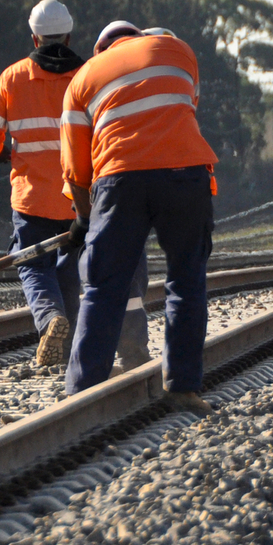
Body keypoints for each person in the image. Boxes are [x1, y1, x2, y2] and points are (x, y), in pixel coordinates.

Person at [60, 21, 219, 414]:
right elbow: (186, 107)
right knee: (186, 280)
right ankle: (183, 388)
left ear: (101, 49)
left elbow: (76, 173)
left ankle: (82, 394)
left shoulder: (82, 80)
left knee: (104, 287)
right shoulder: (178, 49)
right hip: (185, 174)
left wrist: (83, 219)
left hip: (119, 180)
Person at [0, 0, 87, 366]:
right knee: (69, 269)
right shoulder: (88, 76)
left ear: (34, 38)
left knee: (30, 264)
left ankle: (49, 319)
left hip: (32, 198)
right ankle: (67, 348)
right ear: (69, 36)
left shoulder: (14, 77)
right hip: (78, 199)